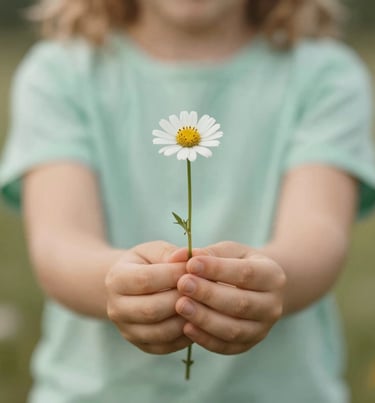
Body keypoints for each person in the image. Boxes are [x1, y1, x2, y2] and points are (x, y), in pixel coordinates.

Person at [1, 0, 375, 402]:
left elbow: (319, 235)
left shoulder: (325, 75)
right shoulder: (60, 73)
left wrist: (264, 283)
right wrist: (119, 284)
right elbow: (59, 242)